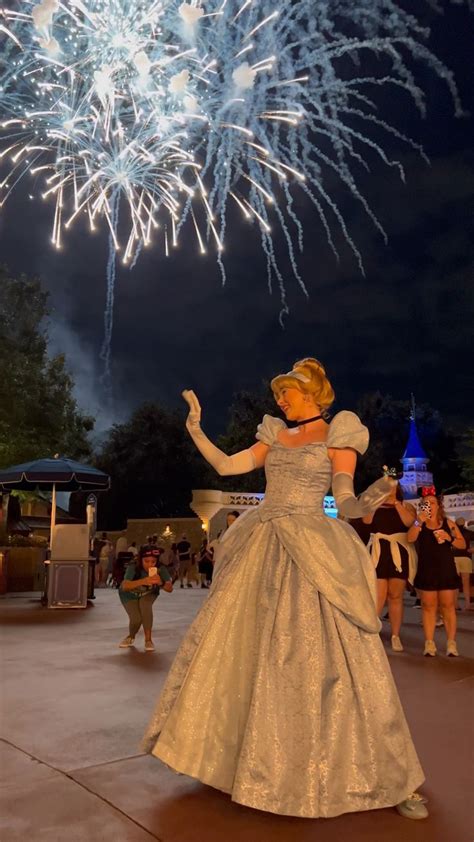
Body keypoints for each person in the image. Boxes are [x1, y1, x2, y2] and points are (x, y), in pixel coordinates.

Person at [142, 358, 427, 821]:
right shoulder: (274, 434)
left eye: (286, 393)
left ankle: (391, 775)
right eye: (278, 395)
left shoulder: (339, 434)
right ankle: (235, 761)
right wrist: (195, 427)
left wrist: (370, 498)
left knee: (330, 657)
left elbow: (345, 499)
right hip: (263, 542)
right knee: (241, 649)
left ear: (310, 393)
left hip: (312, 545)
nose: (279, 401)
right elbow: (227, 466)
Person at [407, 491, 466, 657]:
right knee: (428, 606)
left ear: (439, 506)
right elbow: (410, 538)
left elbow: (462, 544)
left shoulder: (448, 523)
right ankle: (429, 643)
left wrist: (449, 538)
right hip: (427, 570)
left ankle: (451, 643)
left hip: (445, 569)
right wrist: (419, 520)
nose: (429, 505)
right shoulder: (419, 523)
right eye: (426, 503)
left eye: (432, 502)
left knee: (448, 606)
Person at [362, 482, 417, 652]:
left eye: (392, 486)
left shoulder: (406, 506)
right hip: (379, 551)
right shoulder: (375, 504)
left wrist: (396, 504)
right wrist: (376, 502)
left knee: (395, 595)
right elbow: (366, 521)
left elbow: (409, 523)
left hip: (399, 551)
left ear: (397, 488)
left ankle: (395, 635)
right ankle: (372, 633)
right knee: (378, 595)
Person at [119, 547, 173, 652]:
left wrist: (161, 583)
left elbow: (170, 588)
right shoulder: (133, 566)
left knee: (145, 605)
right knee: (136, 619)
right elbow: (125, 586)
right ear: (141, 560)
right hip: (129, 595)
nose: (150, 565)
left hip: (149, 593)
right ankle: (131, 636)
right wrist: (144, 581)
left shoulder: (160, 568)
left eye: (153, 562)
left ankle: (148, 640)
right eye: (146, 561)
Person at [453, 517, 472, 611]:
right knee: (466, 583)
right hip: (466, 558)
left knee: (455, 582)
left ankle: (455, 604)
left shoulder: (453, 533)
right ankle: (467, 604)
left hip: (454, 557)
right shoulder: (469, 533)